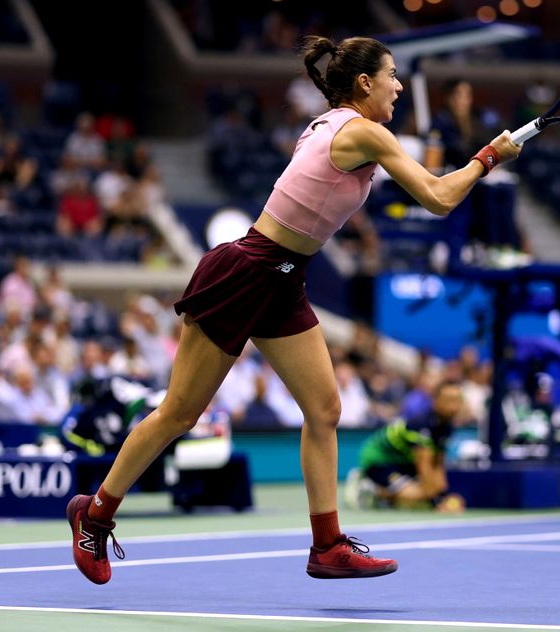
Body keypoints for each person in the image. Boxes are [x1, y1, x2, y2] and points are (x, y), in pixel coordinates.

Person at [64, 35, 520, 584]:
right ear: (365, 83)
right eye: (393, 75)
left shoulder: (330, 126)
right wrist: (488, 157)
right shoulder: (361, 131)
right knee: (179, 415)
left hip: (284, 278)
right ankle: (94, 515)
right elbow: (439, 197)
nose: (400, 86)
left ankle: (327, 545)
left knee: (324, 409)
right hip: (246, 272)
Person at [353, 379, 466, 512]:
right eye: (448, 400)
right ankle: (372, 489)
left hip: (403, 462)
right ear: (435, 400)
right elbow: (424, 466)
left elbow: (438, 465)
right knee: (414, 494)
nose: (454, 407)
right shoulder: (421, 424)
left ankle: (388, 495)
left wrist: (444, 495)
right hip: (379, 460)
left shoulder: (447, 427)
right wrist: (438, 502)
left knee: (427, 490)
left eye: (457, 400)